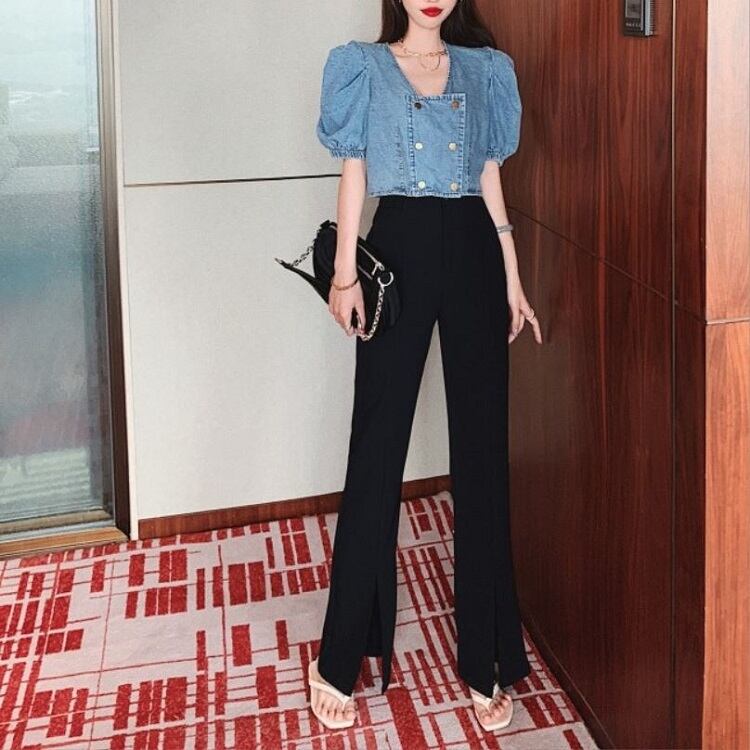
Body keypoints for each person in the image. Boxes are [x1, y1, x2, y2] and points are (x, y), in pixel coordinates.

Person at [306, 0, 544, 734]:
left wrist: (512, 275)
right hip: (399, 250)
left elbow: (489, 177)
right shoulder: (363, 67)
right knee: (376, 452)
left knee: (483, 455)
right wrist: (344, 274)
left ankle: (486, 654)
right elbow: (354, 171)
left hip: (473, 252)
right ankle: (340, 655)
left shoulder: (486, 69)